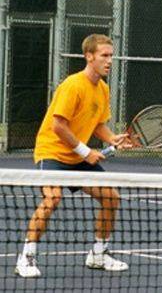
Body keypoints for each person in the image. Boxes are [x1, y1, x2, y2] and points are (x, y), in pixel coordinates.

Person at [15, 34, 132, 277]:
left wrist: (112, 139)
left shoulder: (103, 89)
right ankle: (25, 258)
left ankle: (98, 254)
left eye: (111, 56)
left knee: (111, 198)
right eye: (104, 56)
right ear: (89, 57)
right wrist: (85, 151)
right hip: (53, 152)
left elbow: (98, 123)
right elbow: (58, 125)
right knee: (52, 198)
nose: (110, 61)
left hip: (78, 157)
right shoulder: (72, 85)